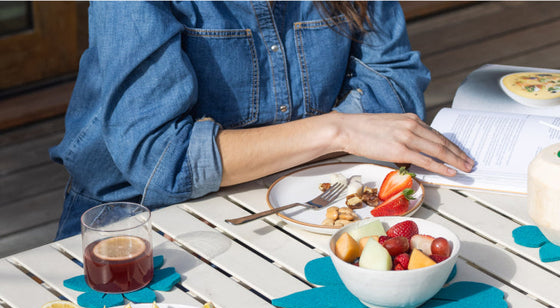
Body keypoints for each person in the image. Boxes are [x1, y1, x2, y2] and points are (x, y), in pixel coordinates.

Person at [50, 1, 474, 239]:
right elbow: (162, 160)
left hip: (307, 199)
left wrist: (302, 145)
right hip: (140, 222)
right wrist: (336, 130)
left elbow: (395, 81)